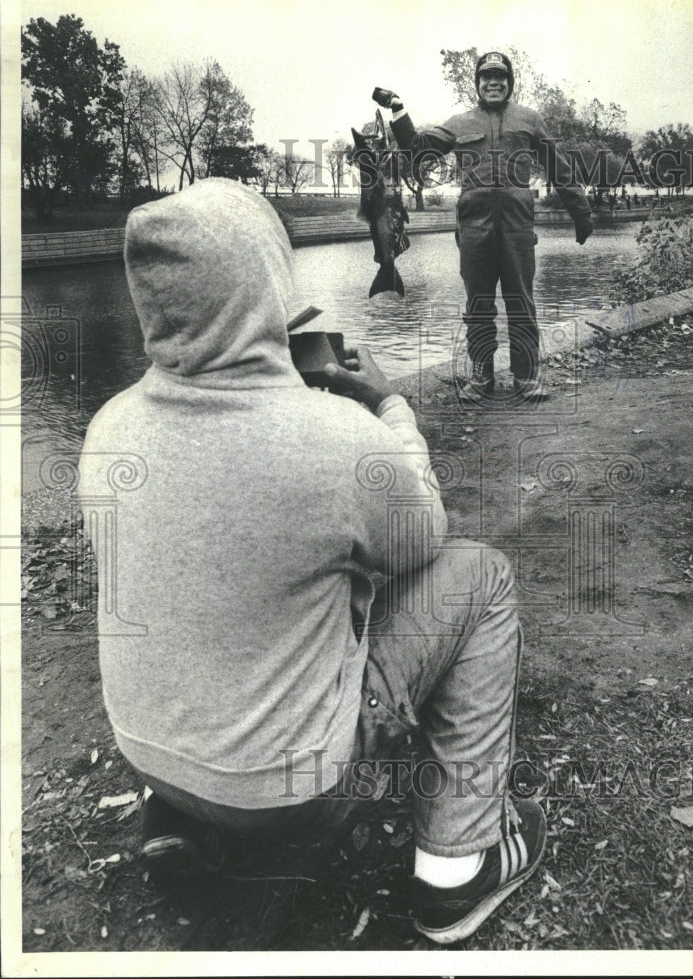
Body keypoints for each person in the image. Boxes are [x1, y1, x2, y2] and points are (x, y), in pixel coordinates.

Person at [78, 178, 546, 946]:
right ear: (267, 287)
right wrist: (385, 408)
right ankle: (456, 867)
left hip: (152, 755)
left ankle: (186, 822)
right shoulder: (331, 439)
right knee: (480, 575)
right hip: (287, 788)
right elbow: (420, 542)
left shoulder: (108, 426)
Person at [375, 51, 593, 405]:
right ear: (476, 83)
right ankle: (482, 376)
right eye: (486, 77)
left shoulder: (530, 120)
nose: (494, 82)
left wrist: (581, 214)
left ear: (510, 82)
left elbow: (559, 168)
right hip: (474, 230)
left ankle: (526, 375)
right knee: (478, 305)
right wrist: (398, 109)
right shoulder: (460, 123)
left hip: (518, 228)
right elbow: (417, 148)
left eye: (501, 77)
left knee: (521, 302)